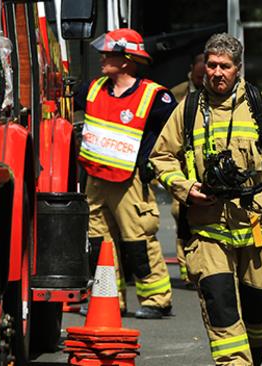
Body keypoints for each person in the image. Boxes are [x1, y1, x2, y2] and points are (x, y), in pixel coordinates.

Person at [150, 33, 262, 365]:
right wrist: (185, 188)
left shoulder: (259, 106)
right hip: (209, 228)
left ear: (238, 69)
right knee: (220, 301)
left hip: (259, 228)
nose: (216, 73)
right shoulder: (188, 110)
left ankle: (253, 356)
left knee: (260, 305)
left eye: (224, 66)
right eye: (211, 65)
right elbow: (161, 158)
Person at [76, 28, 176, 319]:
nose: (102, 57)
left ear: (127, 60)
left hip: (129, 181)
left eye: (109, 53)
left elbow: (174, 133)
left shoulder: (155, 97)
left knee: (138, 242)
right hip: (95, 179)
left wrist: (152, 161)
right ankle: (109, 298)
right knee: (98, 244)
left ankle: (157, 299)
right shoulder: (92, 89)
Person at [169, 52, 206, 284]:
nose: (204, 78)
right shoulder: (177, 94)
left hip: (204, 166)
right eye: (200, 74)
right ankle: (186, 267)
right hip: (183, 167)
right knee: (180, 213)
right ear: (191, 70)